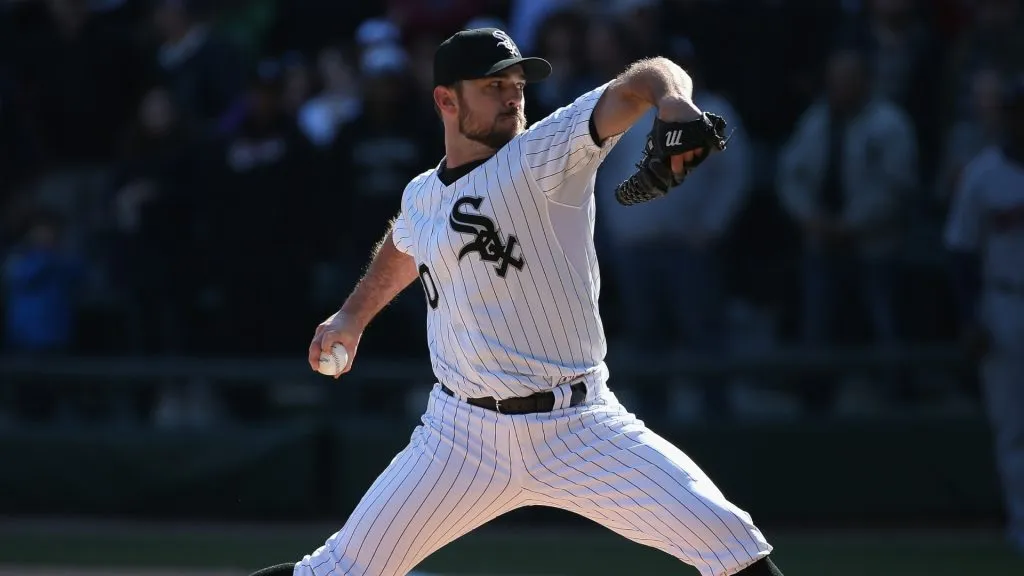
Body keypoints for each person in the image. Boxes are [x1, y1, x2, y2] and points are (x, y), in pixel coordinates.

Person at [250, 28, 784, 576]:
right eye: (493, 85)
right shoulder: (423, 194)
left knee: (733, 547)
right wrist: (352, 315)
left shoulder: (543, 153)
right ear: (445, 100)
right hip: (458, 439)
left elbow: (640, 82)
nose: (512, 96)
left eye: (517, 84)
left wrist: (673, 102)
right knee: (335, 570)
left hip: (579, 427)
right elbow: (405, 241)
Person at [944, 75, 1024, 555]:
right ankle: (1022, 527)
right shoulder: (983, 172)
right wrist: (971, 316)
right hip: (1005, 303)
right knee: (1014, 428)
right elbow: (960, 251)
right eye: (1014, 111)